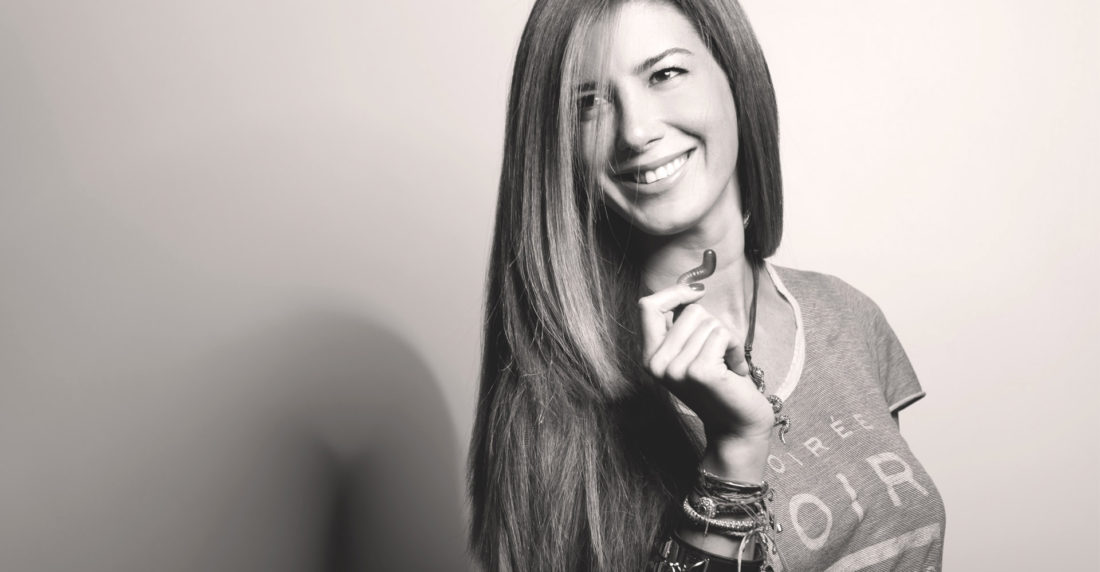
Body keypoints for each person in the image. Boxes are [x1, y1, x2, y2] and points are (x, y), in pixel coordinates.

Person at [468, 0, 946, 570]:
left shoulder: (845, 314)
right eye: (588, 103)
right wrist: (733, 454)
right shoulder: (551, 403)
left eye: (665, 74)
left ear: (735, 77)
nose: (636, 131)